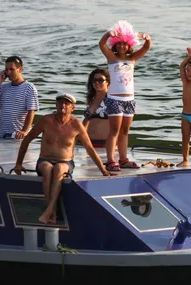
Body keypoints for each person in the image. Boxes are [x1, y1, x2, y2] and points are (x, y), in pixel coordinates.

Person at [14, 93, 115, 224]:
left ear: (72, 108)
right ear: (56, 105)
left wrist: (103, 170)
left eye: (67, 103)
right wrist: (18, 164)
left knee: (59, 168)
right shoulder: (46, 120)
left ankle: (49, 210)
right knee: (48, 169)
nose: (63, 105)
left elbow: (89, 148)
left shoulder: (76, 124)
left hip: (66, 162)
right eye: (60, 102)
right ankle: (53, 211)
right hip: (45, 160)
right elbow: (27, 139)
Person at [98, 20, 152, 172]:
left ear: (129, 44)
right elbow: (102, 44)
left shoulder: (132, 58)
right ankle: (110, 160)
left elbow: (147, 47)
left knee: (125, 131)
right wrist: (108, 34)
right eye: (119, 43)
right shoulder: (111, 57)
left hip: (129, 100)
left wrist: (146, 37)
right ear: (115, 44)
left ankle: (123, 159)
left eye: (125, 44)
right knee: (114, 130)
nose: (122, 46)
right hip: (115, 98)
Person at [0, 56, 39, 139]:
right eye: (6, 70)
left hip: (18, 136)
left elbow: (31, 112)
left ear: (20, 69)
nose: (8, 72)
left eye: (11, 69)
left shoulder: (29, 87)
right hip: (2, 136)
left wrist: (24, 131)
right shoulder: (3, 87)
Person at [82, 68, 110, 148]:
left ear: (107, 82)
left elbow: (119, 125)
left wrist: (112, 143)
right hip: (88, 143)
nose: (97, 83)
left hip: (106, 144)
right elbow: (85, 121)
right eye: (94, 80)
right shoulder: (92, 99)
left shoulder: (112, 99)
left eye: (100, 80)